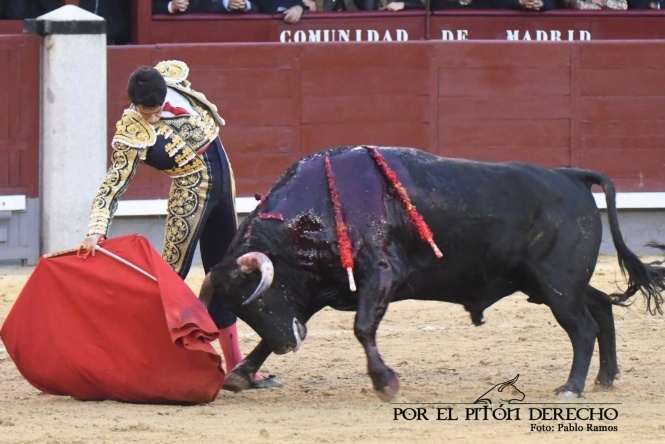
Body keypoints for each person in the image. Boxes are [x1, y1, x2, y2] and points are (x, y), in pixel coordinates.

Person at [81, 60, 280, 389]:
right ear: (135, 104)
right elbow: (111, 186)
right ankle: (142, 362)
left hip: (224, 184)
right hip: (190, 194)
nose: (155, 118)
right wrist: (95, 228)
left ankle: (238, 369)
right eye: (148, 112)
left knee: (226, 272)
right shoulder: (131, 131)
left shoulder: (174, 82)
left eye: (157, 109)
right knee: (170, 278)